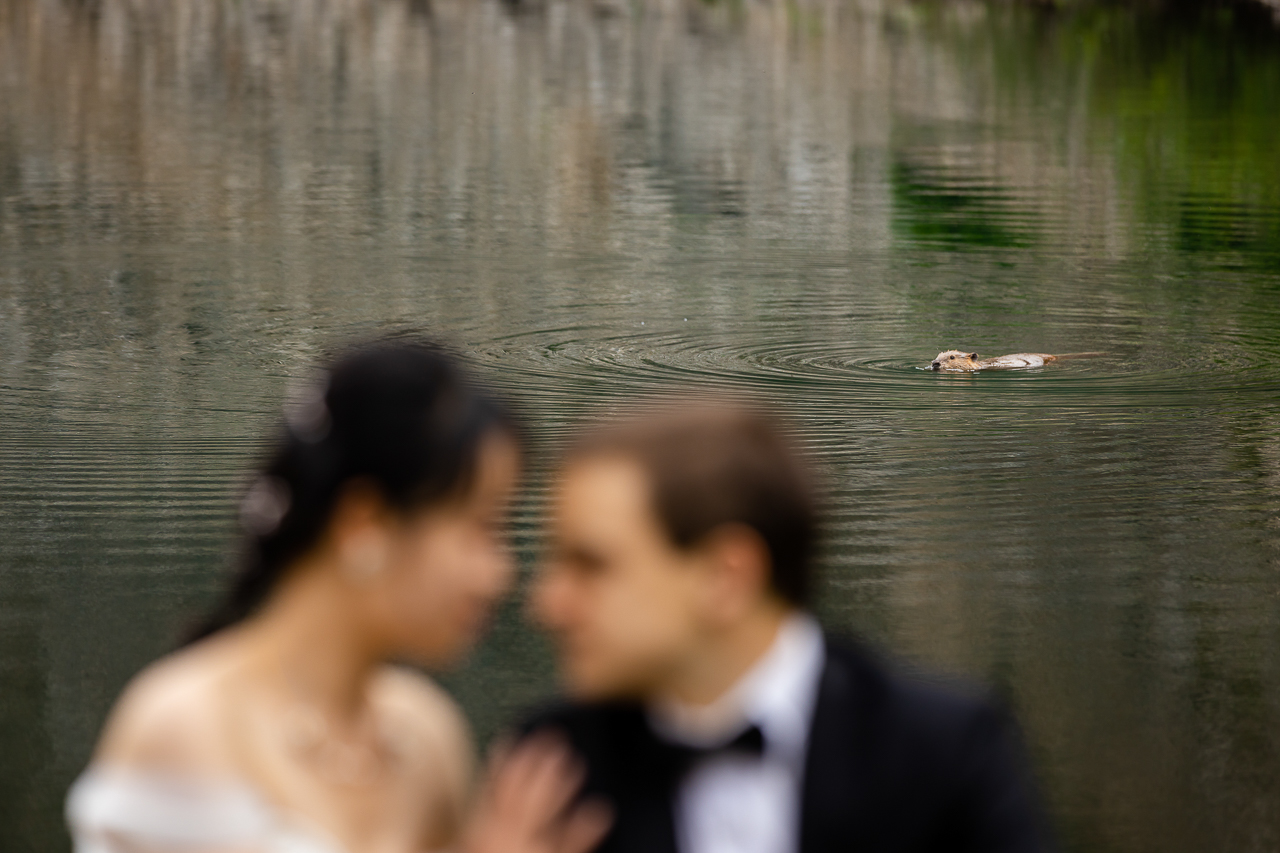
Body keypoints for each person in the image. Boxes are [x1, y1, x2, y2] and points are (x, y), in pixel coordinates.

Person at [67, 338, 609, 853]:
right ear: (363, 523)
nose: (500, 575)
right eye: (481, 529)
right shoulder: (184, 726)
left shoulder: (428, 738)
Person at [524, 400, 1054, 853]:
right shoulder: (551, 772)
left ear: (726, 577)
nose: (545, 604)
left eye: (590, 565)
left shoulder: (942, 752)